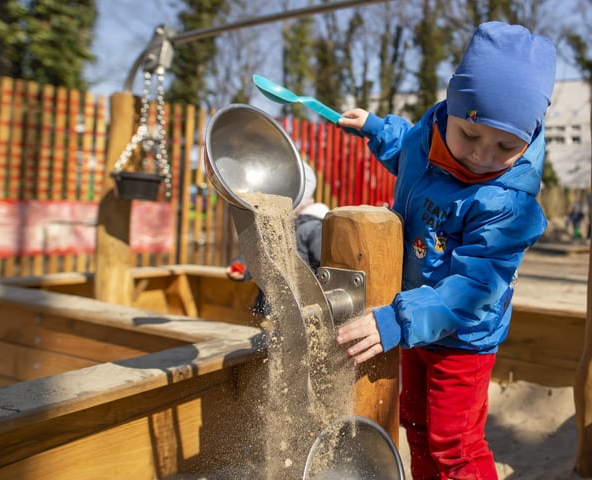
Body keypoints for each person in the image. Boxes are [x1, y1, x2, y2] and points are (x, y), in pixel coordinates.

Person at [335, 21, 556, 479]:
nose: (482, 155)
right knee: (414, 423)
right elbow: (407, 150)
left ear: (529, 139)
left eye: (506, 146)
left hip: (461, 340)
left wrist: (399, 319)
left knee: (454, 442)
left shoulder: (506, 203)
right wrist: (376, 129)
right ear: (450, 109)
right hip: (413, 321)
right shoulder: (430, 135)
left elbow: (477, 286)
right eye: (470, 136)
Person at [225, 160, 329, 313]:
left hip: (302, 308)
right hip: (272, 310)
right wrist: (241, 266)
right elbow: (257, 254)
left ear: (301, 202)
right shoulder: (273, 230)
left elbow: (326, 265)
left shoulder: (312, 228)